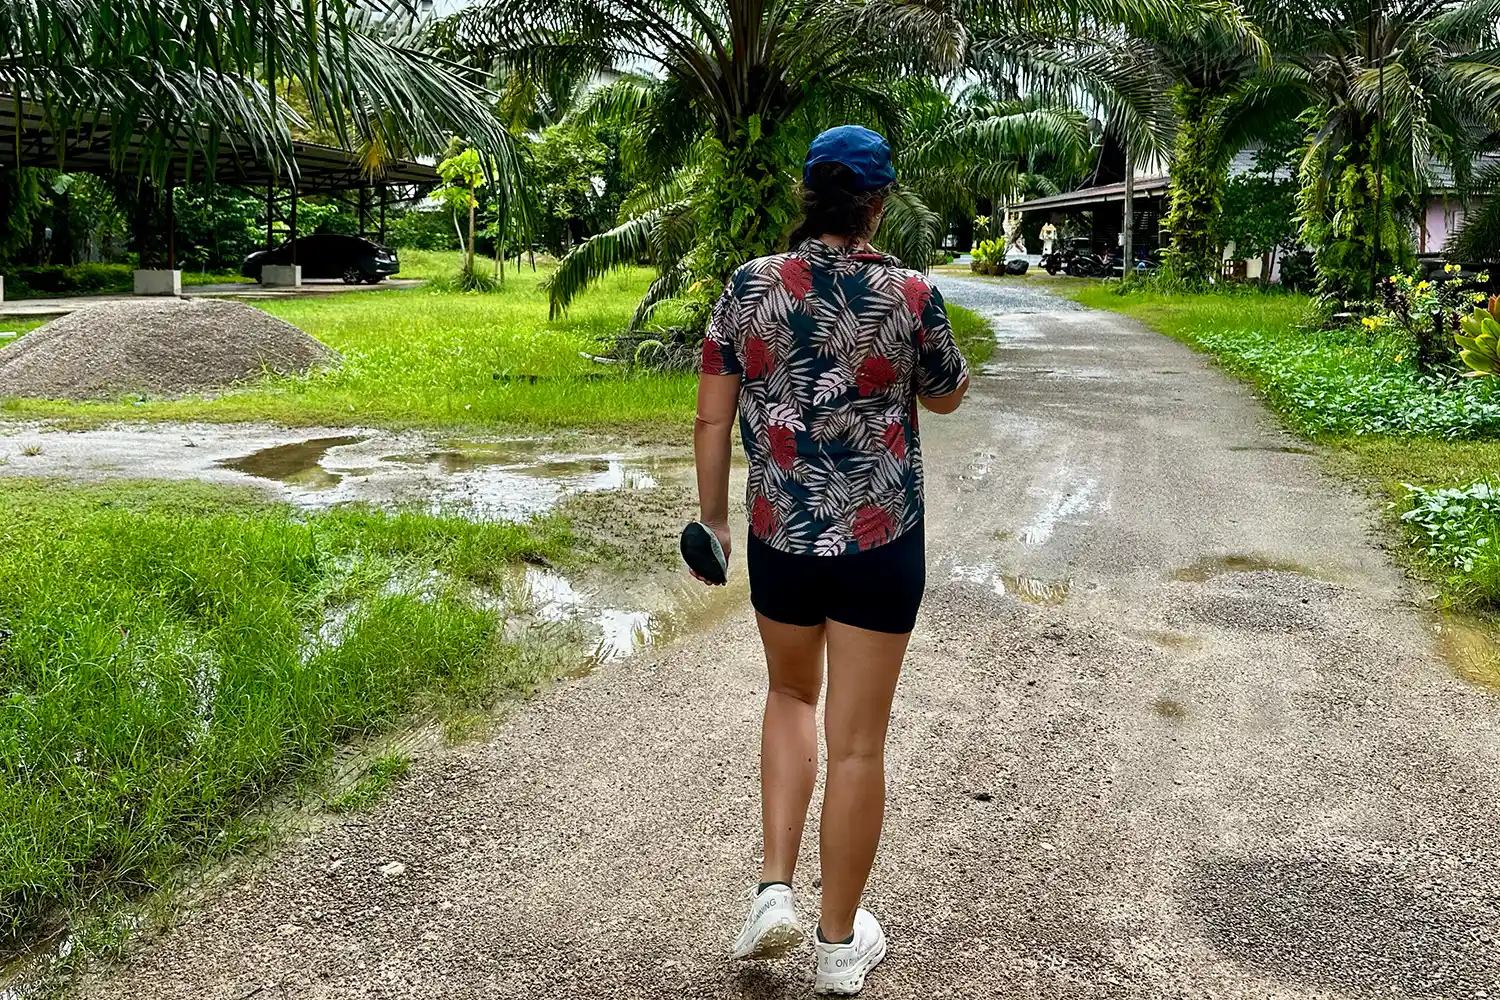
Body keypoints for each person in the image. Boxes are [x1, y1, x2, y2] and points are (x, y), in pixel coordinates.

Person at [691, 125, 969, 995]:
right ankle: (838, 945)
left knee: (787, 694)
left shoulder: (748, 288)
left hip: (780, 536)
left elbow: (709, 416)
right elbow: (948, 393)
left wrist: (712, 522)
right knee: (857, 745)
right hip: (882, 542)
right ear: (880, 202)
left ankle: (773, 888)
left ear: (808, 195)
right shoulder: (911, 293)